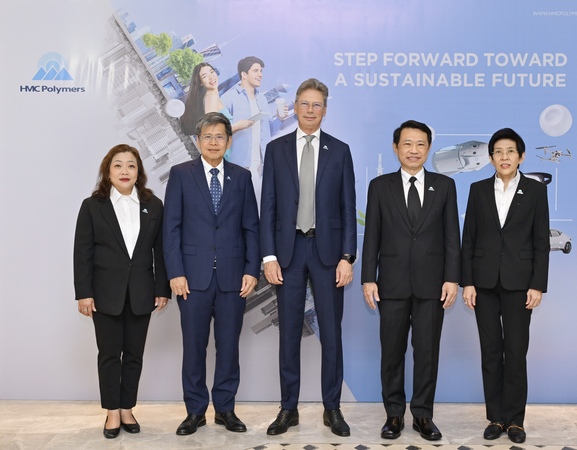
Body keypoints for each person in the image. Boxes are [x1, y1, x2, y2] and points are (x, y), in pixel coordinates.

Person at [260, 78, 357, 437]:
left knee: (331, 333)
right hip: (288, 252)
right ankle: (288, 408)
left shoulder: (340, 151)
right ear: (295, 107)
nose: (310, 110)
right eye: (304, 103)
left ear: (325, 110)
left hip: (328, 253)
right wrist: (268, 256)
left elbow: (348, 207)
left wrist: (347, 256)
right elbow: (268, 206)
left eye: (317, 104)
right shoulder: (276, 149)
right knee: (288, 333)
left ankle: (332, 408)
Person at [361, 120, 460, 441]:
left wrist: (452, 278)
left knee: (427, 352)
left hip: (433, 285)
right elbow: (372, 235)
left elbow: (452, 237)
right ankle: (393, 414)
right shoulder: (380, 186)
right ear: (395, 148)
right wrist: (368, 278)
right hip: (391, 284)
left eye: (420, 144)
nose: (414, 150)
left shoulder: (444, 186)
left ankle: (423, 415)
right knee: (392, 352)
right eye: (407, 144)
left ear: (428, 148)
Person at [163, 112, 260, 436]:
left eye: (220, 136)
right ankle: (195, 411)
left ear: (229, 141)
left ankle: (225, 409)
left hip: (233, 279)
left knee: (228, 347)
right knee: (194, 348)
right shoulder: (181, 174)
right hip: (192, 279)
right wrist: (175, 272)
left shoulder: (241, 177)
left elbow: (251, 228)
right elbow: (171, 228)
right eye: (208, 136)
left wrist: (251, 270)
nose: (214, 142)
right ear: (197, 140)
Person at [73, 144, 170, 439]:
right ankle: (112, 412)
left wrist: (162, 288)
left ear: (138, 171)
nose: (124, 171)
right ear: (108, 171)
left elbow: (160, 251)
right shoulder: (93, 206)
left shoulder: (153, 205)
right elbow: (82, 253)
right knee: (109, 354)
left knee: (134, 355)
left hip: (142, 292)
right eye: (118, 165)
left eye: (131, 165)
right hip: (104, 294)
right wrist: (84, 293)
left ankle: (127, 408)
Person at [461, 128, 549, 444]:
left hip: (519, 285)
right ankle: (495, 418)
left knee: (515, 352)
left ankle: (515, 421)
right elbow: (469, 238)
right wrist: (467, 282)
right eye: (498, 151)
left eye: (510, 151)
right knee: (490, 352)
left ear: (521, 156)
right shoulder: (478, 190)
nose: (504, 157)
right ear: (491, 158)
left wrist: (537, 285)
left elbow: (540, 242)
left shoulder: (535, 191)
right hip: (483, 284)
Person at [221, 56, 287, 201]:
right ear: (244, 74)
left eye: (261, 71)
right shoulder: (228, 98)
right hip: (239, 166)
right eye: (256, 71)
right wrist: (237, 126)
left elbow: (270, 131)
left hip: (260, 167)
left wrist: (280, 119)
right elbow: (217, 131)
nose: (260, 74)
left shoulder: (262, 100)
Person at [179, 62, 252, 136]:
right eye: (205, 76)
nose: (211, 77)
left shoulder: (212, 96)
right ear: (200, 83)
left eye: (212, 72)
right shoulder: (211, 97)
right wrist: (238, 126)